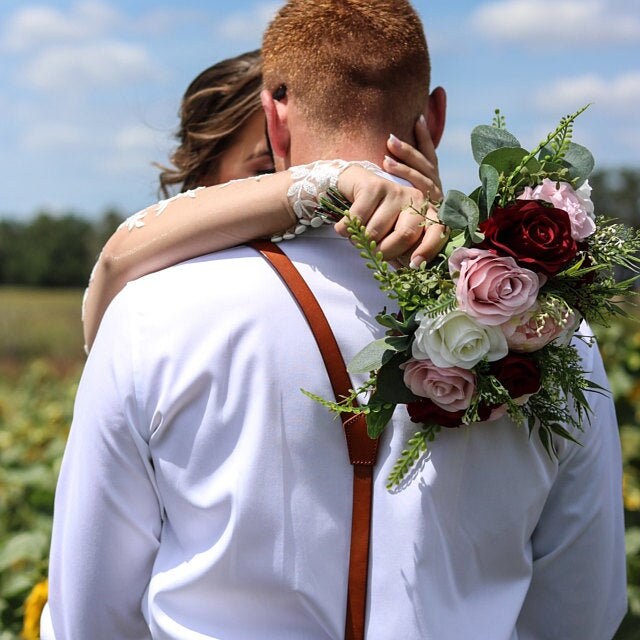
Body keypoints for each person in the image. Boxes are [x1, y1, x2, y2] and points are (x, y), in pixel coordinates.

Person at [46, 2, 627, 639]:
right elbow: (584, 612)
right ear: (433, 114)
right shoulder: (555, 333)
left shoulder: (153, 315)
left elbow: (87, 615)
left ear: (274, 113)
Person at [82, 50, 444, 351]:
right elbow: (114, 262)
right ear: (206, 178)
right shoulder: (163, 299)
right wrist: (326, 180)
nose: (289, 173)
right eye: (265, 170)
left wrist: (433, 219)